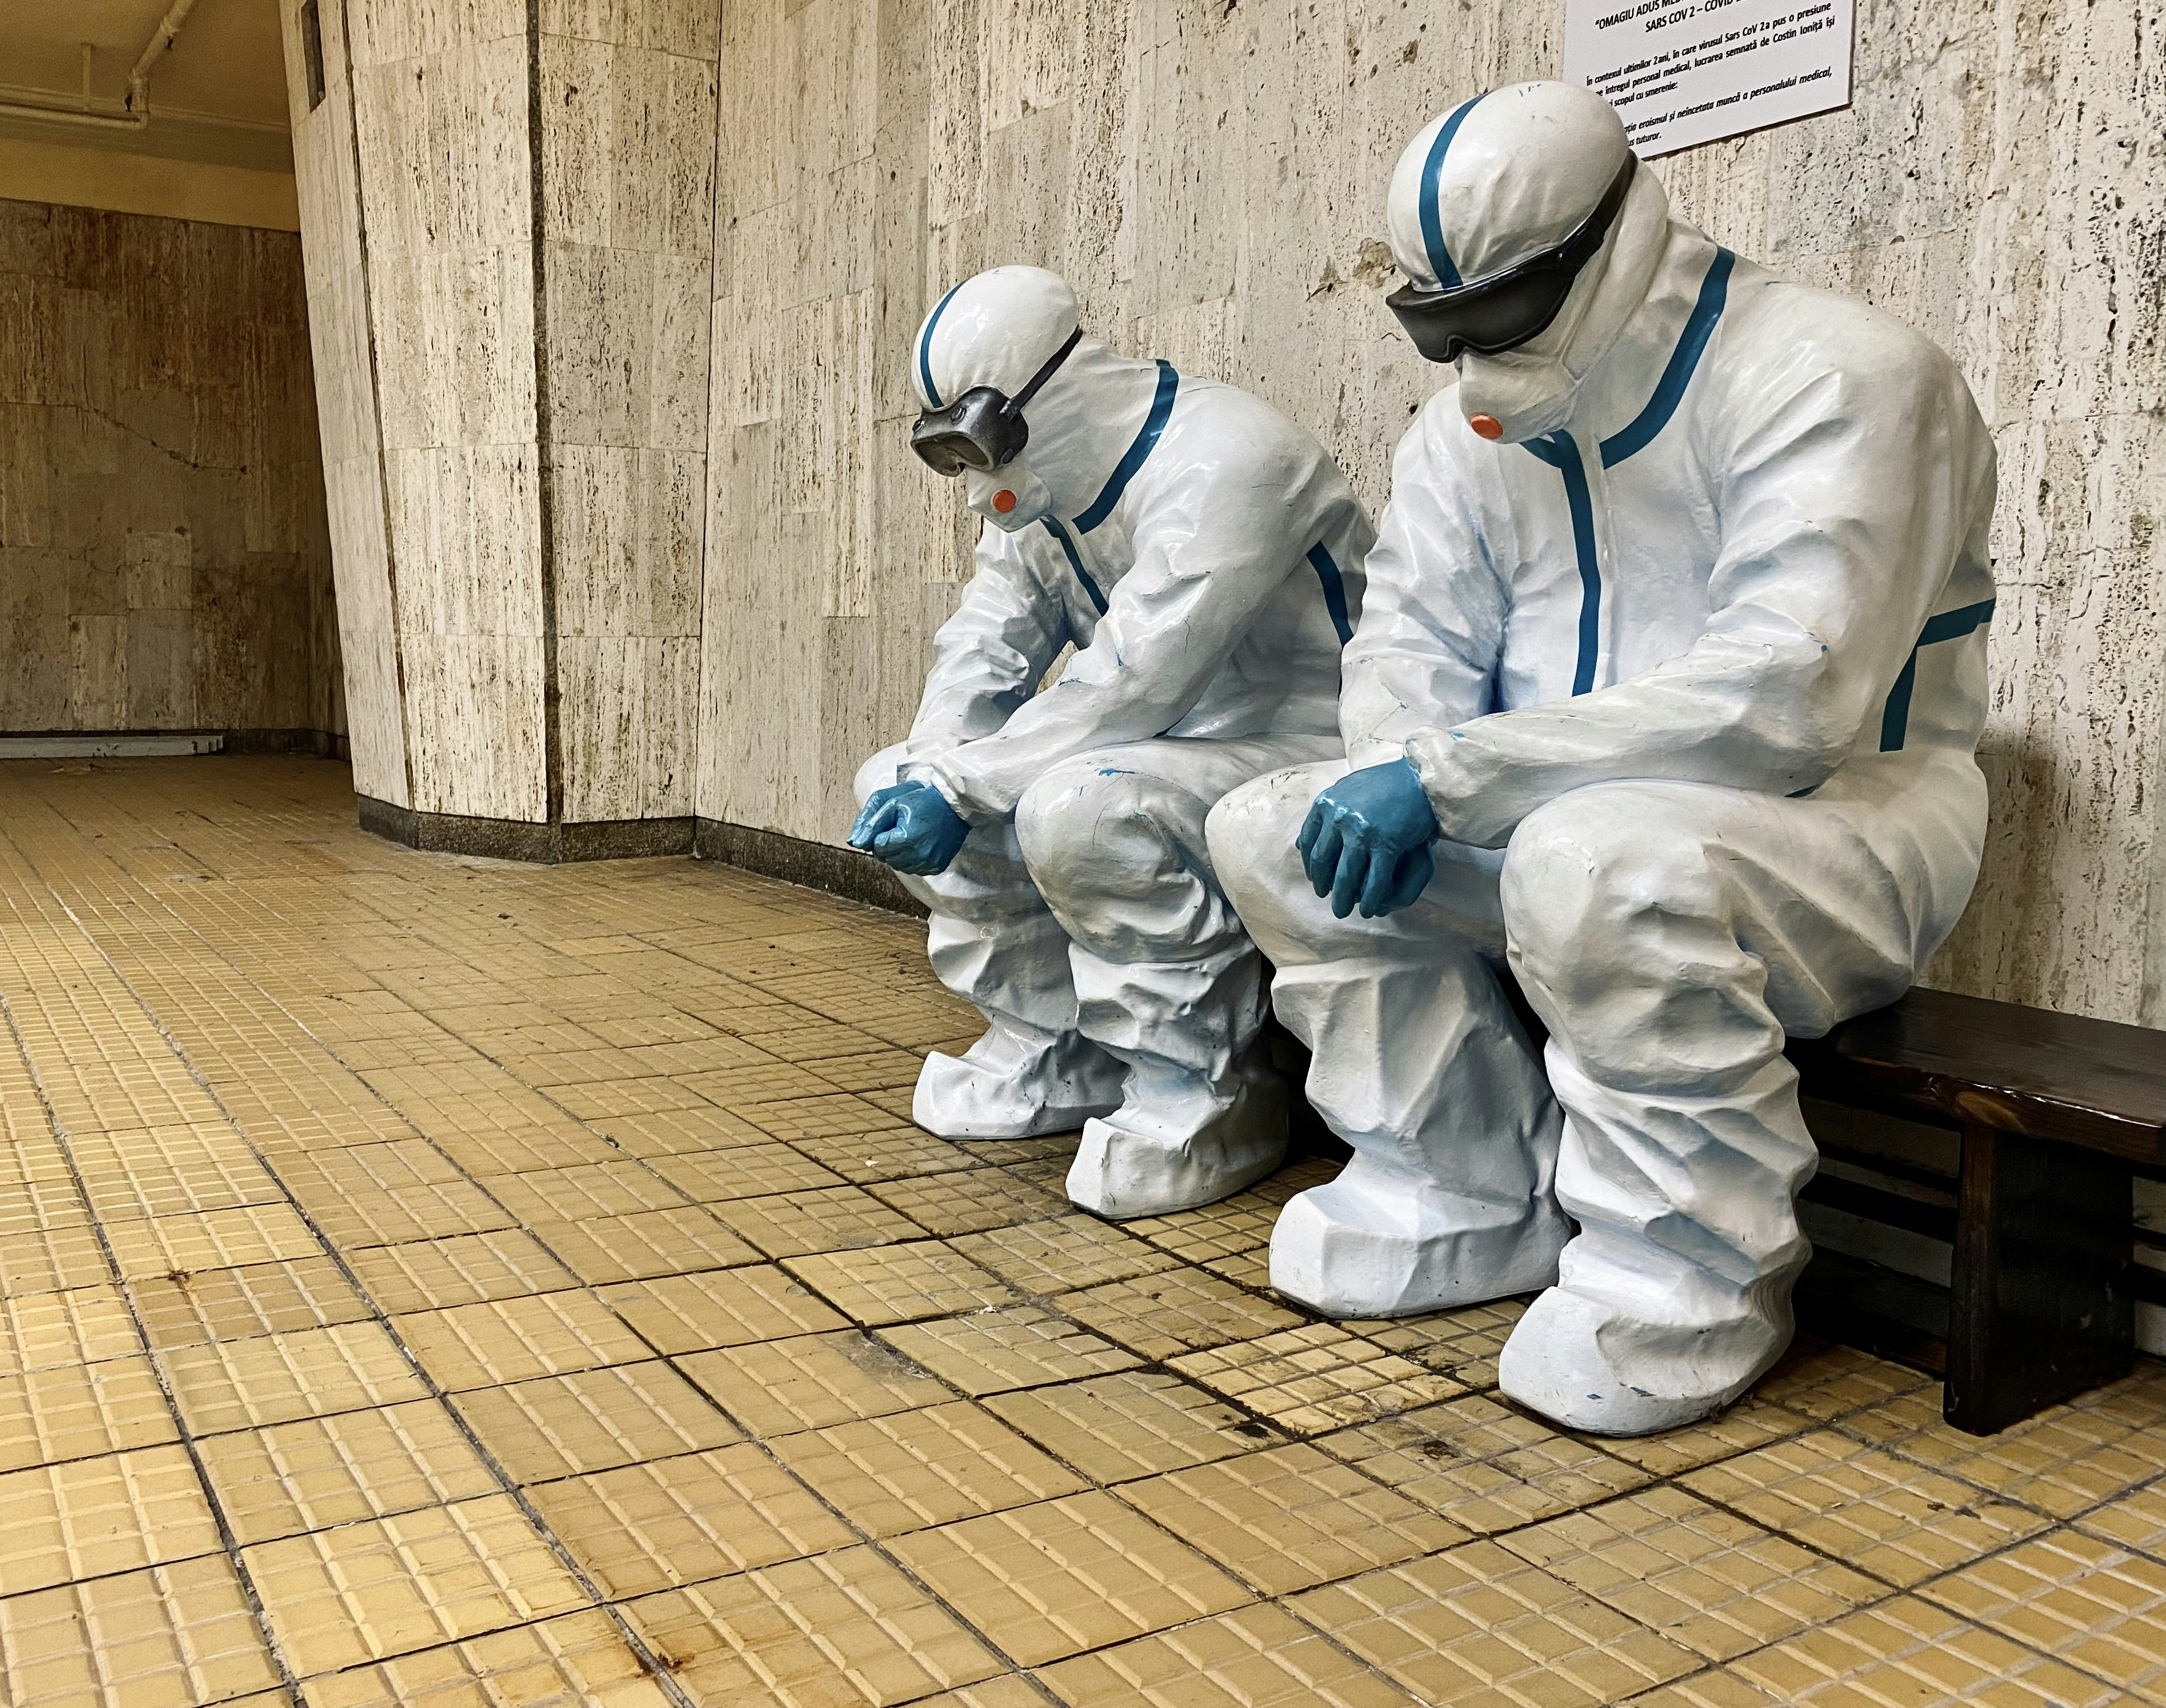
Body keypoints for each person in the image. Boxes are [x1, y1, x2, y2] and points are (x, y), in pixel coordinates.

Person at [1205, 82, 1997, 1433]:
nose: (1468, 358)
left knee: (1595, 861)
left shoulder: (1840, 373)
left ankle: (1685, 1278)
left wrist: (1448, 780)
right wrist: (1395, 770)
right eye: (1433, 325)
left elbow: (1787, 699)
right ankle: (1460, 1183)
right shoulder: (1465, 432)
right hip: (1558, 822)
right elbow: (1406, 645)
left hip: (1848, 825)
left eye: (1496, 312)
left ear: (1615, 242)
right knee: (1276, 828)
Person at [850, 265, 1374, 1218]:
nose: (977, 493)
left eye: (980, 450)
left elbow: (1140, 673)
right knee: (897, 774)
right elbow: (988, 645)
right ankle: (1056, 1045)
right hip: (1150, 748)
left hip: (1300, 746)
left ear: (1052, 392)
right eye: (950, 459)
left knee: (1082, 804)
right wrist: (930, 770)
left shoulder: (1227, 457)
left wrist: (963, 784)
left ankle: (1210, 1094)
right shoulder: (1038, 493)